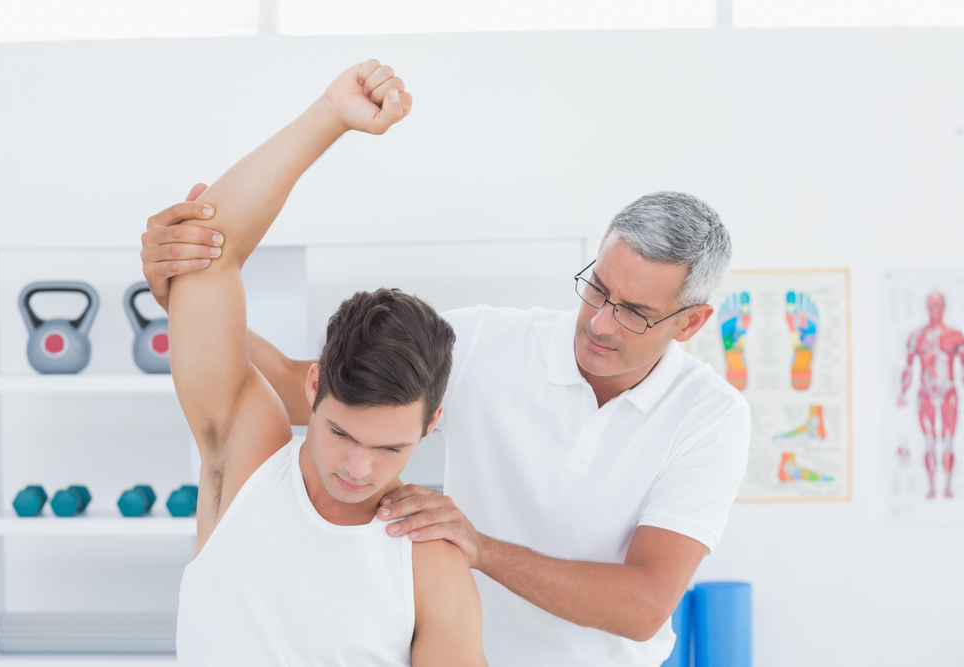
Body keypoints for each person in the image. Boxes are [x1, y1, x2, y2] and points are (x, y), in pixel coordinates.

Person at [143, 110, 750, 667]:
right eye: (596, 289)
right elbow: (265, 351)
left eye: (634, 312)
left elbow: (645, 606)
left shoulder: (709, 417)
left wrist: (479, 547)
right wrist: (188, 302)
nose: (598, 322)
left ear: (690, 322)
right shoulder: (478, 345)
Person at [165, 60, 486, 666]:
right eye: (340, 432)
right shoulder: (248, 459)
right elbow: (207, 255)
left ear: (432, 421)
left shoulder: (428, 560)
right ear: (314, 385)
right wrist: (329, 117)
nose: (359, 468)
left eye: (391, 448)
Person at [897, 293, 963, 499]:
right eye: (932, 305)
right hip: (925, 393)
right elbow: (908, 367)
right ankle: (931, 488)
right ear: (926, 307)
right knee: (929, 441)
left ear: (944, 307)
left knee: (949, 440)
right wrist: (902, 392)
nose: (935, 309)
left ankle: (948, 488)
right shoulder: (917, 336)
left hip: (948, 393)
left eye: (939, 305)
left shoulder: (956, 336)